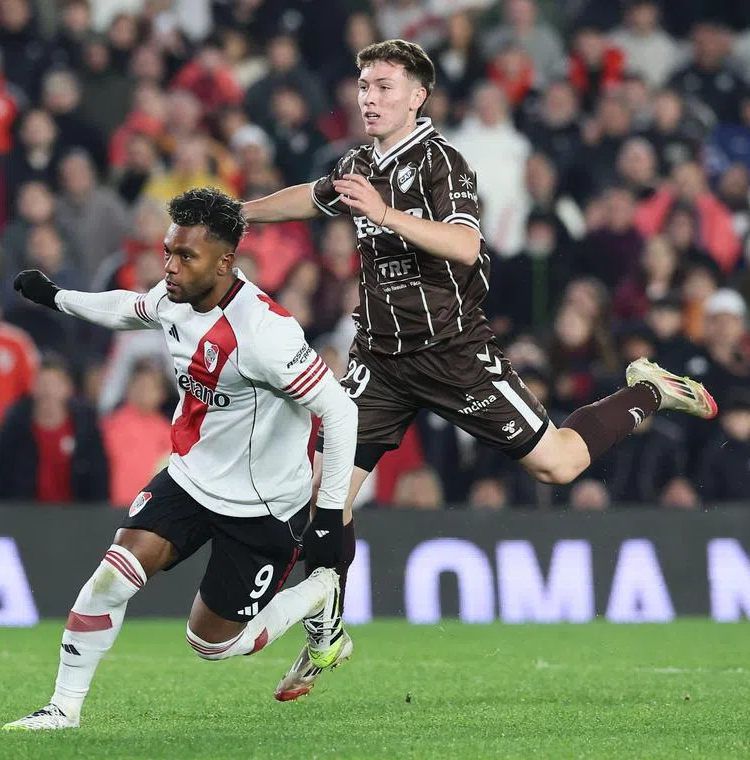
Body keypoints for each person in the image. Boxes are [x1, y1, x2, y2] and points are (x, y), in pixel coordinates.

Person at [241, 38, 719, 700]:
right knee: (324, 492)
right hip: (381, 360)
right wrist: (240, 214)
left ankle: (647, 391)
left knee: (558, 463)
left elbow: (467, 244)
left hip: (452, 357)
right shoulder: (357, 161)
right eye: (363, 85)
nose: (369, 97)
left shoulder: (443, 163)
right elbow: (312, 198)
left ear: (417, 96)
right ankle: (327, 638)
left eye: (383, 86)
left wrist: (384, 214)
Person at [2, 188, 359, 730]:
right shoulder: (175, 298)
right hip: (190, 479)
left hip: (261, 506)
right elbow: (128, 309)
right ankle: (63, 709)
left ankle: (318, 592)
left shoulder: (265, 334)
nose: (168, 265)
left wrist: (328, 515)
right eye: (168, 250)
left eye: (184, 256)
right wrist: (57, 298)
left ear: (224, 262)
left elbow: (339, 411)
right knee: (110, 578)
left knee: (212, 644)